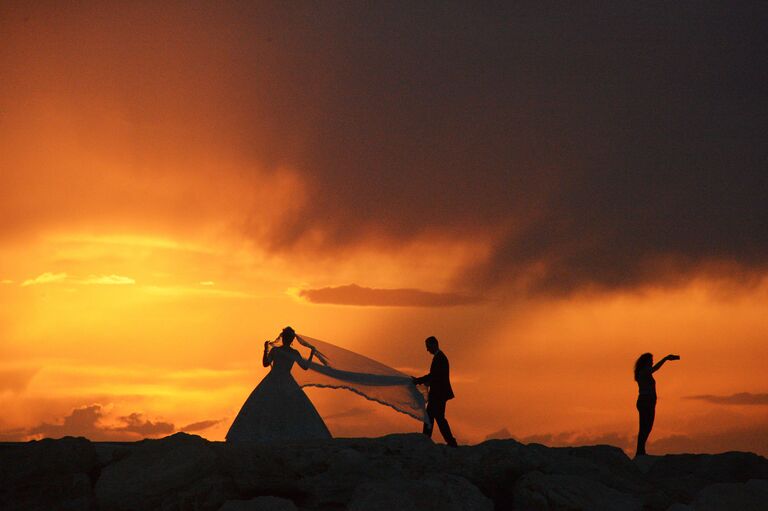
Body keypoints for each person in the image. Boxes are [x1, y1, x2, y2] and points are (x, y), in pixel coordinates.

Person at [226, 326, 331, 442]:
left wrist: (265, 350)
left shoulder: (277, 351)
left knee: (266, 406)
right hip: (286, 382)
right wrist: (311, 355)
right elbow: (305, 367)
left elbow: (265, 363)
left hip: (273, 380)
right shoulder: (292, 352)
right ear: (291, 339)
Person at [412, 336, 458, 447]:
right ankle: (447, 441)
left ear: (434, 344)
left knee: (433, 417)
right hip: (439, 394)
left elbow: (434, 376)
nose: (427, 350)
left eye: (428, 347)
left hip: (439, 394)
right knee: (436, 417)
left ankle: (429, 440)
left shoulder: (440, 358)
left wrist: (419, 380)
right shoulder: (440, 357)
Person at [634, 352, 680, 457]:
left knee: (646, 427)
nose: (652, 362)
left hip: (647, 401)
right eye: (651, 360)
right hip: (646, 401)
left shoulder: (643, 372)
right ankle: (640, 451)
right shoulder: (644, 371)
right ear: (646, 362)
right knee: (645, 427)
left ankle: (641, 450)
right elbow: (655, 368)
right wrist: (666, 358)